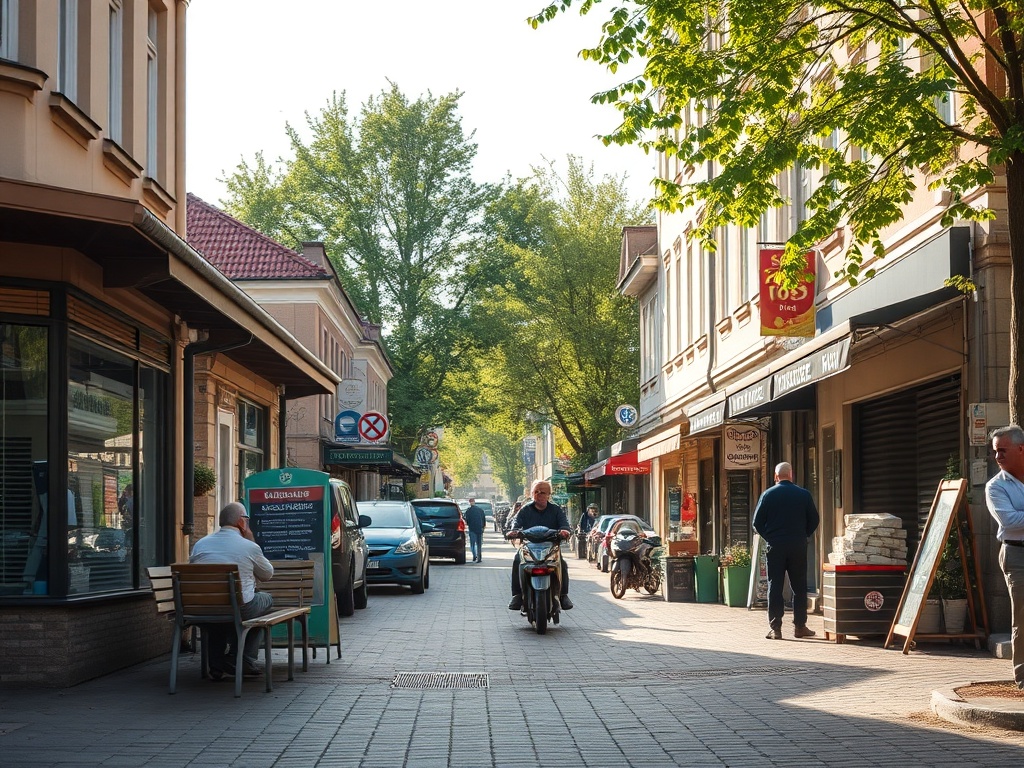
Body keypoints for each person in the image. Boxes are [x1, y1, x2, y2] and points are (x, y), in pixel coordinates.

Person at [190, 502, 274, 679]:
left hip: (204, 607)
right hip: (239, 607)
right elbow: (267, 574)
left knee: (218, 614)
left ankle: (217, 664)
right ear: (241, 522)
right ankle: (242, 659)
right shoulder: (248, 546)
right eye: (247, 520)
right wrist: (251, 541)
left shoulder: (200, 545)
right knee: (264, 601)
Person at [752, 462, 820, 640]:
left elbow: (756, 523)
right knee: (799, 586)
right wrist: (804, 534)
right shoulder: (803, 495)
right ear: (791, 474)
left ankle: (776, 628)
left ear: (776, 476)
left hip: (776, 546)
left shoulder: (767, 495)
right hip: (798, 545)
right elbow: (814, 519)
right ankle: (800, 626)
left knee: (775, 586)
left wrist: (770, 537)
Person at [986, 425, 1024, 690]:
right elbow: (1009, 521)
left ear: (1021, 449)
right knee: (1023, 617)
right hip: (1017, 553)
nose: (997, 457)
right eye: (995, 452)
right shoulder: (995, 487)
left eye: (1002, 451)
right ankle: (1023, 677)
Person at [506, 480, 573, 610]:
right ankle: (517, 595)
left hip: (551, 547)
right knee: (516, 560)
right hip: (529, 546)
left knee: (563, 564)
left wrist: (565, 531)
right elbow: (516, 524)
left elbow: (564, 524)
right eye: (536, 492)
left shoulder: (556, 510)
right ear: (532, 494)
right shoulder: (525, 510)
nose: (539, 495)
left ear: (549, 494)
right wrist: (513, 531)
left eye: (542, 492)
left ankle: (563, 595)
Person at [464, 497, 487, 563]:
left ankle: (474, 555)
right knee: (479, 544)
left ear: (470, 502)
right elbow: (484, 519)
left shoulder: (468, 511)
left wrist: (469, 524)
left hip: (472, 529)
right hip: (479, 529)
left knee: (472, 544)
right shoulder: (480, 510)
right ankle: (479, 557)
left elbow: (467, 520)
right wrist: (483, 527)